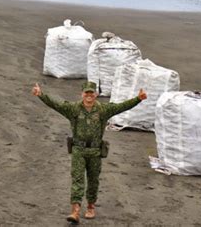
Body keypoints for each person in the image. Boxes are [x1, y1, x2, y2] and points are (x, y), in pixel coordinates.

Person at [32, 81, 147, 224]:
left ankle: (91, 206)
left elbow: (121, 107)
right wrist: (40, 94)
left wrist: (138, 99)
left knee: (93, 180)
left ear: (96, 95)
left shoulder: (103, 110)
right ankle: (75, 210)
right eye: (86, 93)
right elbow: (56, 104)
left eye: (91, 93)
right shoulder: (73, 109)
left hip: (95, 151)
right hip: (78, 150)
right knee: (77, 179)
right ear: (82, 94)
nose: (89, 96)